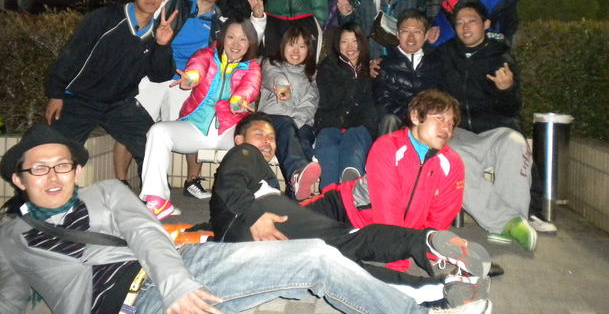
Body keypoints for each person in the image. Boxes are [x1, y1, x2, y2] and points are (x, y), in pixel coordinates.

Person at [0, 122, 493, 314]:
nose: (54, 176)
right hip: (132, 304)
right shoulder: (14, 237)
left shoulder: (108, 193)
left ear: (77, 170)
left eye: (63, 165)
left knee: (323, 254)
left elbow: (147, 234)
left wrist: (179, 282)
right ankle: (429, 282)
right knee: (338, 247)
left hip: (187, 264)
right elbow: (9, 297)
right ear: (19, 180)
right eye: (39, 169)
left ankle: (425, 297)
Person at [209, 113, 491, 306]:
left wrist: (209, 232)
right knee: (353, 242)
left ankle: (439, 289)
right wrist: (255, 217)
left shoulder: (260, 175)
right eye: (260, 134)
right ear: (239, 140)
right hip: (265, 223)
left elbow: (225, 210)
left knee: (344, 261)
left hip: (269, 230)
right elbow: (230, 183)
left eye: (272, 137)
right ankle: (427, 247)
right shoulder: (243, 153)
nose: (268, 142)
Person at [121, 0, 266, 197]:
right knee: (144, 128)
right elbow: (198, 64)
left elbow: (249, 77)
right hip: (164, 77)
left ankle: (254, 194)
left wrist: (239, 100)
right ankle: (148, 194)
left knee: (255, 135)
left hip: (223, 124)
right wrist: (191, 77)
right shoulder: (176, 1)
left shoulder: (225, 30)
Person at [304, 90, 465, 274]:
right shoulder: (388, 147)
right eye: (439, 119)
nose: (446, 128)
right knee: (286, 223)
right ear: (415, 116)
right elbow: (387, 210)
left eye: (451, 123)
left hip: (371, 236)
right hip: (345, 209)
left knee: (329, 254)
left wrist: (428, 248)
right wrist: (398, 261)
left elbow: (441, 215)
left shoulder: (452, 163)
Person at [44, 0, 177, 175]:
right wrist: (56, 94)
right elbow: (71, 55)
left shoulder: (158, 31)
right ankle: (38, 194)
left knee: (153, 145)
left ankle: (155, 193)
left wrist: (162, 45)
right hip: (81, 99)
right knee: (56, 153)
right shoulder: (105, 18)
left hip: (120, 103)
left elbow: (159, 75)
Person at [437, 0, 543, 250]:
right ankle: (506, 223)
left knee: (515, 143)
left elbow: (513, 108)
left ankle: (514, 218)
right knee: (449, 156)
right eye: (459, 23)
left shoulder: (500, 57)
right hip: (459, 131)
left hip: (494, 129)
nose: (465, 27)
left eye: (471, 21)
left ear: (486, 24)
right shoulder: (444, 55)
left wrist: (506, 90)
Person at [140, 17, 262, 217]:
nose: (236, 44)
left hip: (229, 130)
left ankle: (256, 198)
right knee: (158, 131)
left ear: (250, 43)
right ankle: (157, 200)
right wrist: (191, 78)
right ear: (222, 38)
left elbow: (250, 87)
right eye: (231, 37)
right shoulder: (206, 54)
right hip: (196, 127)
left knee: (253, 140)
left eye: (243, 39)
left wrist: (238, 100)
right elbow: (197, 68)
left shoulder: (252, 67)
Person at [257, 26, 321, 200]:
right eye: (292, 44)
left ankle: (296, 194)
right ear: (283, 46)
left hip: (299, 123)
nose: (296, 51)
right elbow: (273, 76)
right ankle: (297, 173)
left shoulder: (312, 74)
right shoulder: (271, 63)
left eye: (302, 46)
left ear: (308, 50)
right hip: (272, 119)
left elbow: (310, 102)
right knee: (286, 124)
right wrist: (282, 86)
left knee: (305, 139)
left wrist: (296, 122)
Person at [314, 23, 377, 188]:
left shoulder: (372, 69)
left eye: (355, 41)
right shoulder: (328, 67)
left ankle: (351, 181)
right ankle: (329, 195)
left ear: (362, 42)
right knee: (329, 151)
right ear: (337, 44)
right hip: (330, 125)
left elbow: (371, 105)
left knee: (354, 139)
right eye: (344, 42)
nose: (350, 47)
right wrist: (353, 76)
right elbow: (330, 99)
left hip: (359, 128)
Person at [373, 10, 441, 135]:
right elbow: (382, 99)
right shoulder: (384, 64)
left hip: (427, 119)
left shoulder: (436, 62)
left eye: (417, 32)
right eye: (405, 31)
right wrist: (410, 117)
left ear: (426, 35)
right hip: (398, 120)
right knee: (389, 119)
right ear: (398, 35)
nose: (411, 38)